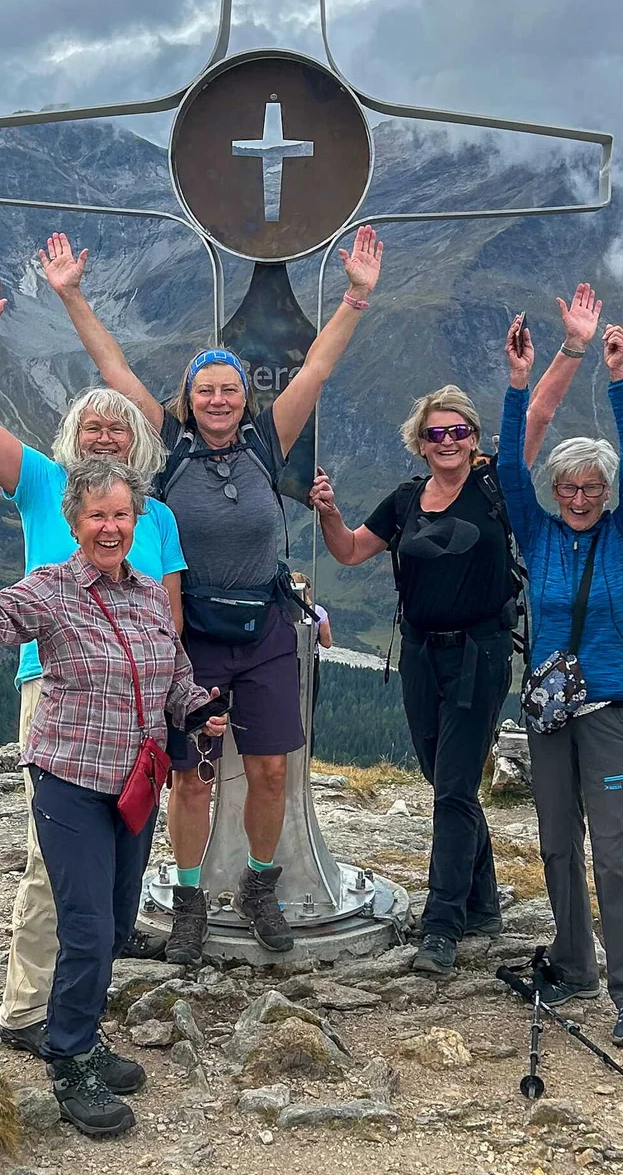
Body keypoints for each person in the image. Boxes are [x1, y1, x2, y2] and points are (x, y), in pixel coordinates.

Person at [38, 223, 384, 963]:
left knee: (269, 769)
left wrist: (355, 297)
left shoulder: (267, 441)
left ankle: (261, 886)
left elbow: (315, 373)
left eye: (229, 388)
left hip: (263, 631)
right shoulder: (164, 450)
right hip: (192, 637)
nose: (220, 399)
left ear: (241, 397)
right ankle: (191, 898)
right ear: (188, 401)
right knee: (192, 778)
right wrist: (72, 296)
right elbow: (114, 368)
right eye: (206, 390)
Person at [0, 459, 225, 1138]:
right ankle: (68, 1057)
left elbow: (173, 675)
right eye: (98, 516)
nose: (111, 527)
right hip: (70, 782)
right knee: (84, 925)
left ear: (135, 522)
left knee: (113, 922)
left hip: (133, 785)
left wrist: (198, 711)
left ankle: (79, 1030)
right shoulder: (53, 589)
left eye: (122, 515)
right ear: (75, 522)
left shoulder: (145, 594)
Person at [0, 274, 186, 1055]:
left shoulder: (155, 516)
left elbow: (168, 624)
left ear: (136, 446)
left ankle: (75, 1007)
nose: (106, 435)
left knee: (110, 874)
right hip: (53, 687)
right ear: (71, 438)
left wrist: (178, 711)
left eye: (119, 428)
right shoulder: (42, 485)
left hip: (138, 704)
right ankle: (29, 1013)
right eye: (93, 425)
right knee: (53, 862)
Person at [310, 383, 523, 975]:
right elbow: (351, 551)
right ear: (420, 443)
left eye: (460, 432)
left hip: (480, 652)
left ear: (475, 440)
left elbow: (539, 419)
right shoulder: (405, 500)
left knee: (453, 789)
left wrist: (535, 373)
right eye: (437, 433)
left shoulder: (494, 487)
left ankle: (442, 926)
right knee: (443, 778)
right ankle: (482, 904)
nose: (449, 441)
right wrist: (329, 512)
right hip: (420, 656)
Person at [496, 283, 623, 1048]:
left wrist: (619, 376)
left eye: (593, 486)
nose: (582, 496)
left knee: (614, 851)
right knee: (557, 841)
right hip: (549, 713)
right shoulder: (540, 532)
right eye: (569, 486)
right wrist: (518, 385)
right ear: (555, 491)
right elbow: (504, 467)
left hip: (612, 711)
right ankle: (573, 960)